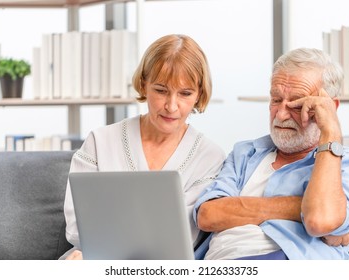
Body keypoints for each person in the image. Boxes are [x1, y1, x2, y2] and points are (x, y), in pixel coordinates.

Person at [193, 48, 349, 260]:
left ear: (329, 107)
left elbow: (319, 219)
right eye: (276, 100)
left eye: (298, 104)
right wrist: (301, 206)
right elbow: (208, 215)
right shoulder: (245, 153)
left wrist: (331, 132)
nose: (280, 114)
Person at [60, 34, 226, 260]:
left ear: (199, 95)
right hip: (95, 260)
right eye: (161, 90)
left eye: (185, 94)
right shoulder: (100, 141)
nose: (171, 106)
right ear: (144, 84)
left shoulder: (210, 157)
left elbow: (184, 237)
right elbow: (77, 226)